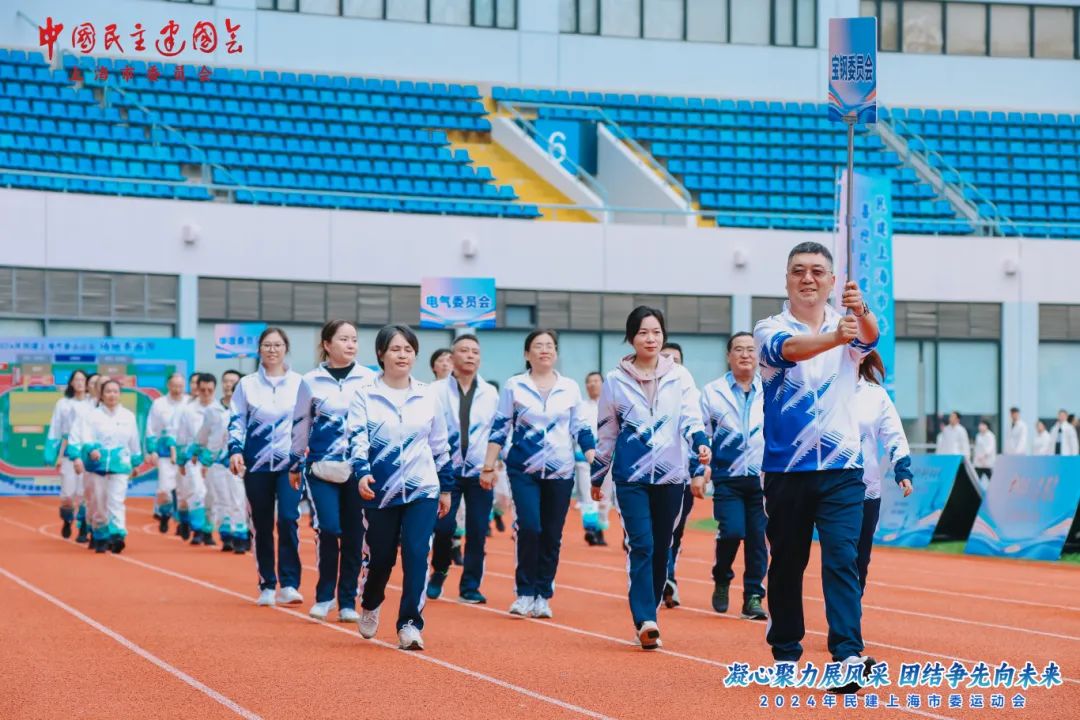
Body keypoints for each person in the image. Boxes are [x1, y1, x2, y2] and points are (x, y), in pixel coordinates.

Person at [754, 241, 880, 692]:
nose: (808, 278)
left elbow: (871, 337)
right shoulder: (769, 328)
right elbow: (790, 350)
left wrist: (860, 310)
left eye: (817, 271)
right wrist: (837, 337)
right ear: (787, 279)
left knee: (843, 558)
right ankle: (786, 651)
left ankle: (848, 654)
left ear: (831, 281)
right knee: (788, 563)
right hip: (787, 469)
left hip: (843, 468)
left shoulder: (847, 324)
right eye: (799, 270)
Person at [591, 308, 710, 650]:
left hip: (671, 476)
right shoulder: (615, 381)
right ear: (631, 337)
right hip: (632, 478)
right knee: (641, 544)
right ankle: (645, 618)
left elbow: (691, 417)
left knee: (661, 547)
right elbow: (607, 432)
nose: (651, 338)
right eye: (643, 332)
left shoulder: (680, 376)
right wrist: (598, 475)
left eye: (656, 332)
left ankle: (650, 611)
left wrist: (700, 443)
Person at [348, 325, 453, 651]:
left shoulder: (428, 394)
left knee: (417, 554)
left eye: (408, 349)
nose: (402, 355)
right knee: (380, 558)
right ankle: (371, 601)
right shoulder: (365, 394)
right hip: (379, 489)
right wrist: (362, 473)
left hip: (422, 489)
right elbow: (357, 438)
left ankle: (409, 623)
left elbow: (440, 444)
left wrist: (445, 487)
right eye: (395, 349)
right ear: (381, 354)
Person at [484, 330, 596, 620]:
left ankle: (543, 594)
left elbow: (580, 428)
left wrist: (593, 457)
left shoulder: (569, 388)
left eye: (549, 346)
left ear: (556, 353)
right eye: (538, 346)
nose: (544, 350)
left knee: (551, 534)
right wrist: (488, 466)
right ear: (527, 354)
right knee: (530, 527)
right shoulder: (515, 386)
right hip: (523, 469)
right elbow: (500, 427)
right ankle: (524, 592)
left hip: (561, 471)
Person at [290, 320, 375, 622]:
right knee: (328, 528)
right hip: (321, 467)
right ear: (327, 344)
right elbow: (301, 423)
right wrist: (295, 461)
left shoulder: (370, 378)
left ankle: (348, 601)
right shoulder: (310, 380)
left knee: (355, 534)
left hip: (358, 468)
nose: (351, 345)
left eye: (354, 339)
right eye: (343, 339)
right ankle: (325, 595)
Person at [229, 327, 305, 607]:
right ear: (259, 350)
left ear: (286, 349)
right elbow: (237, 419)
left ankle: (289, 584)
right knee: (261, 524)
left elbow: (308, 421)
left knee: (288, 518)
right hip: (257, 464)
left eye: (277, 345)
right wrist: (235, 450)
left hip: (290, 465)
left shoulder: (300, 383)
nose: (272, 350)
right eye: (267, 345)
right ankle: (267, 584)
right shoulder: (247, 384)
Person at [696, 332, 767, 621]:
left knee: (758, 539)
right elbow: (701, 434)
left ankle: (753, 597)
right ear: (729, 356)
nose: (745, 355)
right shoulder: (712, 392)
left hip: (764, 479)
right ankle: (722, 576)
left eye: (751, 349)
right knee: (733, 531)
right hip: (728, 477)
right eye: (739, 349)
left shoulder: (771, 389)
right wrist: (701, 469)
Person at [427, 334, 499, 604]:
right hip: (446, 471)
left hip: (481, 471)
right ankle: (440, 570)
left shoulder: (490, 393)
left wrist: (493, 465)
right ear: (452, 356)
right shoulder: (435, 391)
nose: (470, 355)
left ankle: (470, 585)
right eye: (464, 350)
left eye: (475, 352)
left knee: (478, 530)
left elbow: (498, 431)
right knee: (443, 527)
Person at [854, 351, 914, 590]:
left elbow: (894, 434)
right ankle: (841, 610)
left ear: (863, 356)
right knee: (839, 557)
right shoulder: (822, 391)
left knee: (860, 561)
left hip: (866, 489)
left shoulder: (875, 395)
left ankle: (850, 610)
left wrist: (902, 469)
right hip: (830, 490)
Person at [68, 378, 143, 554]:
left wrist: (135, 462)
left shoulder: (128, 416)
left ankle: (117, 535)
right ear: (101, 395)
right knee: (99, 502)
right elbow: (86, 436)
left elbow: (134, 441)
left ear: (120, 394)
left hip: (120, 464)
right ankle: (100, 535)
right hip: (98, 464)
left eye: (115, 391)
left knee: (116, 500)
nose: (112, 395)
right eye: (108, 391)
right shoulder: (92, 416)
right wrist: (91, 449)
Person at [660, 341, 696, 609]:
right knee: (656, 534)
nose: (671, 364)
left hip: (682, 477)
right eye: (666, 358)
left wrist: (699, 471)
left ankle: (667, 577)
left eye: (676, 359)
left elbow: (699, 435)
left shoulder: (691, 395)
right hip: (651, 478)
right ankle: (665, 580)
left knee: (675, 533)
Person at [197, 368, 249, 553]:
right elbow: (211, 438)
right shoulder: (221, 414)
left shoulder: (252, 413)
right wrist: (206, 457)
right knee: (223, 499)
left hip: (243, 464)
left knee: (239, 500)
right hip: (221, 463)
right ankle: (227, 534)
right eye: (227, 382)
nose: (229, 386)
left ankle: (241, 535)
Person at [171, 373, 218, 546]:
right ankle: (198, 529)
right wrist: (181, 460)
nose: (206, 393)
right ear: (197, 389)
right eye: (202, 389)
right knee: (197, 491)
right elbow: (181, 437)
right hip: (193, 459)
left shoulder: (220, 410)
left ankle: (208, 530)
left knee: (212, 496)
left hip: (213, 459)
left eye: (209, 390)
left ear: (214, 389)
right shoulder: (188, 410)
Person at [45, 369, 93, 542]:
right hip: (68, 452)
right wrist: (52, 452)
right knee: (67, 495)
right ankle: (67, 519)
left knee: (84, 493)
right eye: (76, 379)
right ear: (71, 383)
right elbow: (55, 427)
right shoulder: (63, 403)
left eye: (83, 380)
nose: (80, 383)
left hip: (87, 452)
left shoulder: (93, 403)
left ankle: (83, 528)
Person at [145, 373, 188, 534]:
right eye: (174, 386)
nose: (177, 389)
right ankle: (164, 514)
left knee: (183, 490)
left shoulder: (189, 403)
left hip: (184, 454)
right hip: (165, 454)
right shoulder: (159, 404)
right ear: (168, 386)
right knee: (165, 489)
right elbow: (151, 428)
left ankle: (182, 522)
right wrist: (152, 450)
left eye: (180, 386)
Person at [576, 371, 609, 546]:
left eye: (596, 381)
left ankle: (600, 528)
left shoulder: (610, 406)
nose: (593, 384)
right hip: (584, 458)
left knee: (605, 496)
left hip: (607, 458)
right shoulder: (581, 407)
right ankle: (590, 529)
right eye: (589, 382)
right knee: (587, 494)